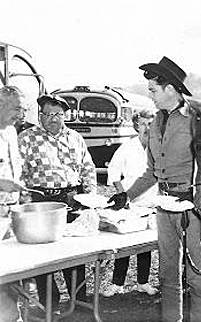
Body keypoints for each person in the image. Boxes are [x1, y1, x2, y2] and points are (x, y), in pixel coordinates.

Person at [107, 57, 201, 322]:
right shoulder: (154, 124)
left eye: (153, 90)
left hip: (190, 208)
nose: (149, 95)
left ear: (171, 89)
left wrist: (198, 201)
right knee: (168, 273)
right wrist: (125, 195)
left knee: (197, 273)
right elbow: (152, 172)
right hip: (163, 207)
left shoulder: (197, 121)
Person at [18, 94, 97, 310]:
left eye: (58, 114)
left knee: (75, 251)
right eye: (49, 114)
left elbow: (87, 168)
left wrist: (90, 198)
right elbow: (19, 173)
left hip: (72, 198)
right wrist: (24, 199)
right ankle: (49, 303)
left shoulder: (75, 137)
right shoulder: (26, 138)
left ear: (65, 116)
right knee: (45, 255)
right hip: (41, 201)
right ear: (40, 116)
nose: (54, 119)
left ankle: (78, 299)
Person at [103, 109, 158, 297]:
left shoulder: (158, 147)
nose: (147, 128)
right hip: (129, 203)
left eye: (150, 123)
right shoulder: (127, 147)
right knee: (125, 245)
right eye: (143, 124)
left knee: (145, 246)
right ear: (136, 126)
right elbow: (113, 171)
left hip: (151, 202)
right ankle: (117, 284)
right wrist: (122, 196)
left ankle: (143, 282)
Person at [0, 85, 29, 322]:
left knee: (12, 272)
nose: (20, 115)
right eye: (16, 108)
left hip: (10, 212)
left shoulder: (10, 132)